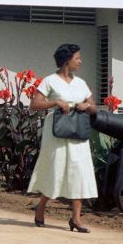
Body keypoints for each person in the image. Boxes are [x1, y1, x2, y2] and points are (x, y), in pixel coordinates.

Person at [27, 43, 98, 232]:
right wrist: (55, 102)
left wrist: (86, 106)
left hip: (78, 131)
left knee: (78, 171)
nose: (80, 61)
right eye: (77, 58)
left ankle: (76, 218)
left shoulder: (81, 83)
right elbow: (34, 104)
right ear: (67, 60)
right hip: (56, 132)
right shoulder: (50, 81)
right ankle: (41, 206)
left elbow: (94, 107)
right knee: (55, 168)